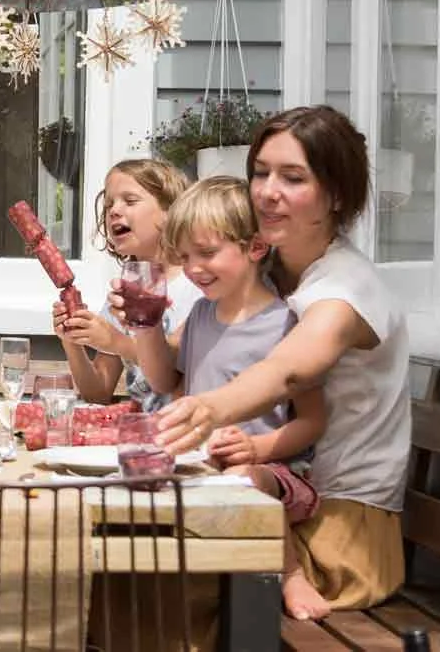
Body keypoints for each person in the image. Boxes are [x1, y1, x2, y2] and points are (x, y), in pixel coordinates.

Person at [156, 105, 410, 615]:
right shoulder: (267, 267)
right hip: (263, 496)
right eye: (260, 172)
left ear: (336, 195)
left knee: (160, 589)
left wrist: (208, 408)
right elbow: (180, 350)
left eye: (293, 178)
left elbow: (288, 371)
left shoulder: (345, 288)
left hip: (341, 526)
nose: (267, 192)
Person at [118, 176, 327, 619]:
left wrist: (256, 448)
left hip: (274, 474)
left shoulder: (286, 324)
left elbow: (312, 422)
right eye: (184, 257)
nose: (194, 268)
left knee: (242, 479)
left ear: (255, 248)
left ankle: (290, 574)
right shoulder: (200, 314)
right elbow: (161, 379)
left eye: (207, 253)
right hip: (200, 467)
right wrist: (145, 324)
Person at [51, 159, 203, 406]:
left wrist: (116, 342)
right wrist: (72, 342)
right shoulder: (124, 293)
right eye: (109, 204)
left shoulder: (198, 285)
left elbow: (178, 372)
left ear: (171, 213)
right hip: (143, 426)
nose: (114, 211)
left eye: (130, 201)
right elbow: (98, 392)